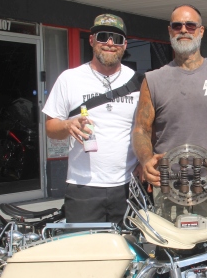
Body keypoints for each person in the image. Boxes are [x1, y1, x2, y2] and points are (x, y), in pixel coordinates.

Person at [132, 4, 207, 225]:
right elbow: (141, 129)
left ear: (201, 31)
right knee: (171, 249)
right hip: (169, 192)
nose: (184, 30)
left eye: (190, 25)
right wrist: (146, 159)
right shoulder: (152, 80)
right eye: (177, 26)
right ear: (170, 31)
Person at [42, 13, 140, 224]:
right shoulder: (70, 78)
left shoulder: (137, 81)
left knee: (128, 244)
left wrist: (144, 161)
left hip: (127, 186)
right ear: (91, 40)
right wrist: (67, 125)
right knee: (86, 245)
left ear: (125, 45)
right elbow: (50, 128)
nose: (110, 43)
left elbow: (146, 128)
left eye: (117, 39)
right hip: (83, 187)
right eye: (103, 36)